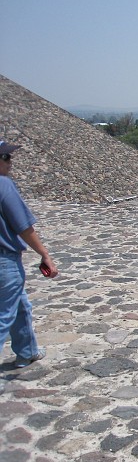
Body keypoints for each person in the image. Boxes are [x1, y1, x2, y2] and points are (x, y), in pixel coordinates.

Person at [0, 140, 59, 368]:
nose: (10, 162)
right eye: (6, 158)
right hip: (4, 260)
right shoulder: (3, 185)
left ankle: (27, 351)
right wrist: (44, 254)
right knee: (3, 316)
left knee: (20, 305)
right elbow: (23, 226)